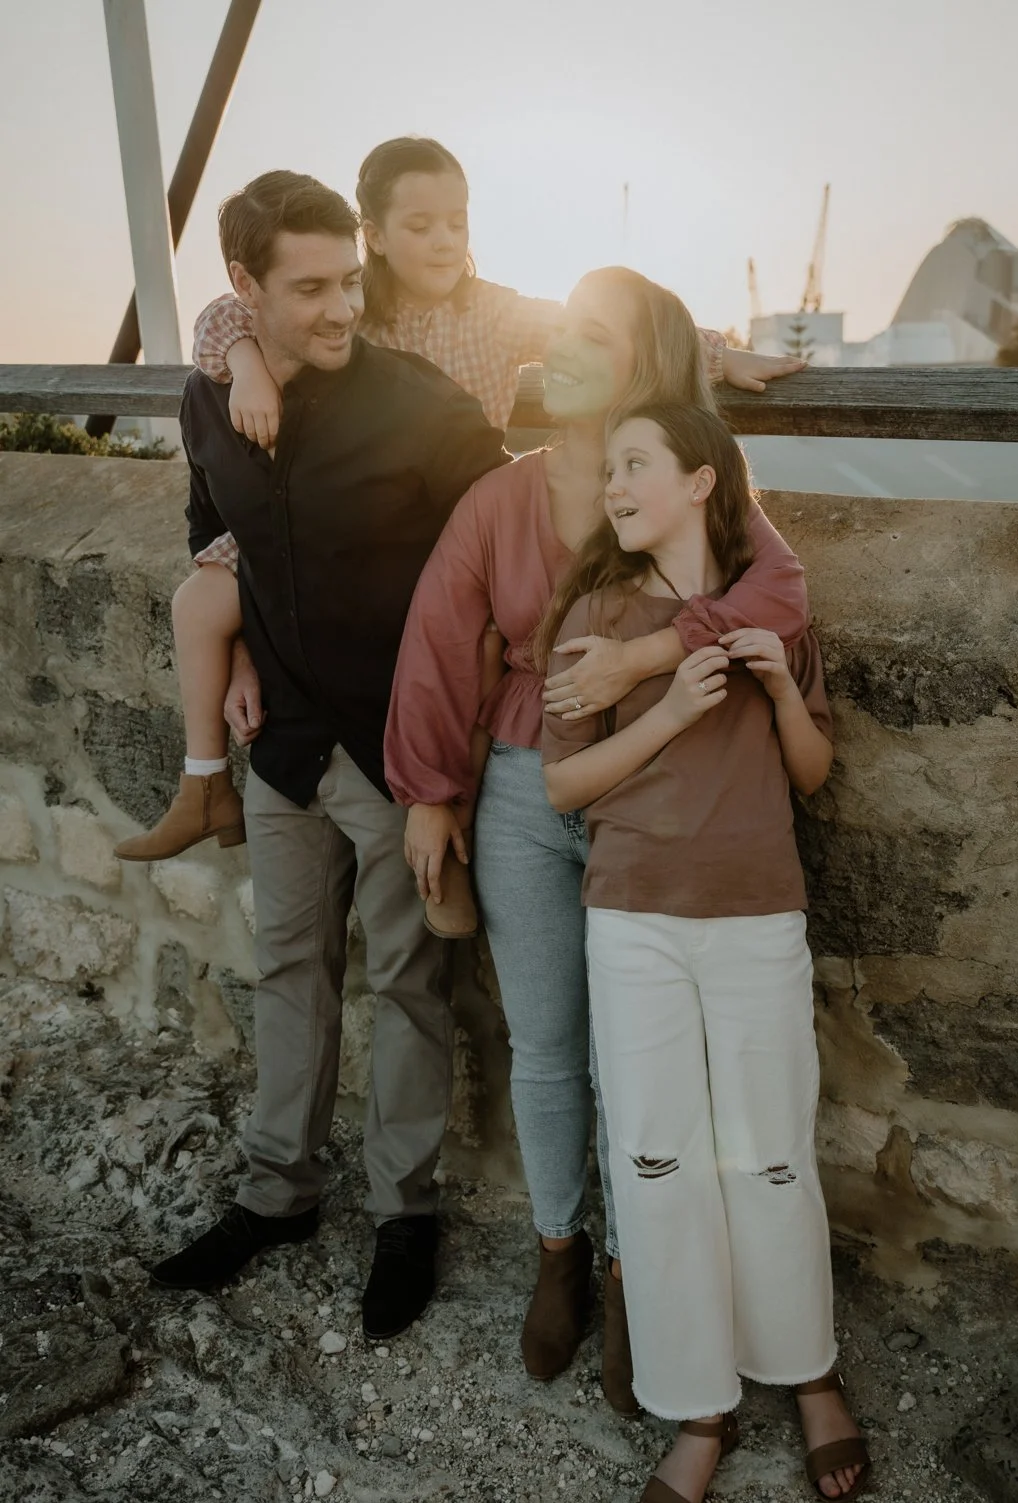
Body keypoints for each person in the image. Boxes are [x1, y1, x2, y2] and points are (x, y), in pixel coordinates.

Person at [114, 134, 803, 941]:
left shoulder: (494, 312)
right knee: (209, 594)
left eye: (457, 223)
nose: (444, 241)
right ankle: (242, 787)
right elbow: (230, 313)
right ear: (371, 232)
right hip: (349, 529)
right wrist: (248, 362)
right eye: (419, 226)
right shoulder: (341, 306)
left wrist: (713, 352)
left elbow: (615, 330)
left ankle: (456, 823)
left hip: (456, 511)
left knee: (483, 651)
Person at [383, 269, 811, 1415]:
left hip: (657, 796)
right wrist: (431, 792)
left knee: (646, 1060)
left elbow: (783, 596)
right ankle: (561, 1252)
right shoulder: (501, 496)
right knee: (548, 1043)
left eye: (590, 335)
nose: (558, 345)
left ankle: (641, 1278)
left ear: (641, 372)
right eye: (561, 327)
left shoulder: (687, 492)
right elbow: (437, 636)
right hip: (525, 785)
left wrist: (647, 654)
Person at [148, 170, 507, 1344]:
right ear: (244, 290)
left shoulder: (429, 412)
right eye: (310, 290)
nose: (343, 307)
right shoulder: (210, 402)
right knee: (288, 967)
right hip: (283, 746)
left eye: (350, 281)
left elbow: (500, 579)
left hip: (404, 755)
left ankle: (406, 1215)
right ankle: (276, 1195)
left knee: (411, 985)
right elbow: (217, 531)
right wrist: (240, 644)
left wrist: (448, 767)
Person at [539, 401, 870, 1503]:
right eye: (608, 469)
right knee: (659, 1162)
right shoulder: (595, 616)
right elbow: (565, 790)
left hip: (757, 918)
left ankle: (808, 1372)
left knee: (775, 1155)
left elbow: (815, 774)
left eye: (635, 466)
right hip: (632, 925)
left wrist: (779, 692)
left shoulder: (771, 607)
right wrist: (671, 709)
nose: (613, 486)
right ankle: (699, 1410)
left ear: (698, 481)